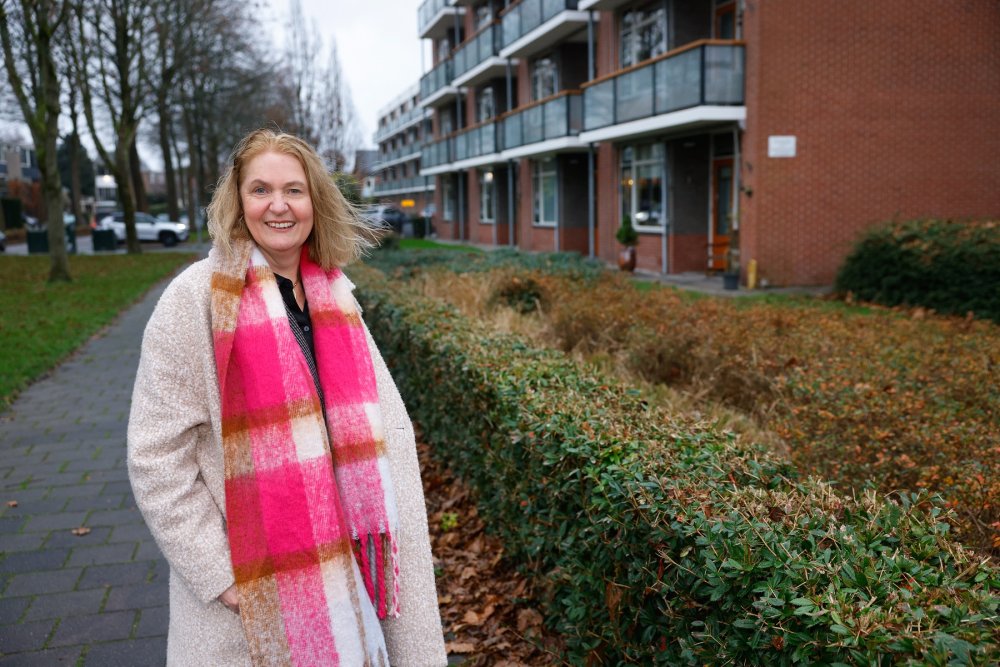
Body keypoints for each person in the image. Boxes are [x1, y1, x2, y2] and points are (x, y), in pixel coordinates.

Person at [127, 128, 447, 666]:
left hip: (354, 580)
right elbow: (156, 457)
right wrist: (220, 575)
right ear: (237, 201)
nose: (279, 206)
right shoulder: (195, 301)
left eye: (294, 191)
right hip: (251, 593)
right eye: (260, 190)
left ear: (315, 202)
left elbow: (385, 432)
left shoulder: (336, 296)